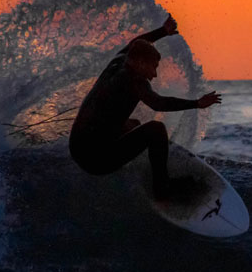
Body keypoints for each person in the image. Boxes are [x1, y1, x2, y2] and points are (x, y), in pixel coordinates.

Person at [69, 14, 221, 199]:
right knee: (155, 130)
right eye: (153, 67)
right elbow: (158, 103)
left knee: (133, 124)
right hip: (95, 161)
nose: (154, 74)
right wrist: (196, 103)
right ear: (141, 63)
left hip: (77, 147)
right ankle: (162, 187)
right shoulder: (135, 80)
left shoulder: (119, 62)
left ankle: (147, 163)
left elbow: (136, 42)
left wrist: (163, 31)